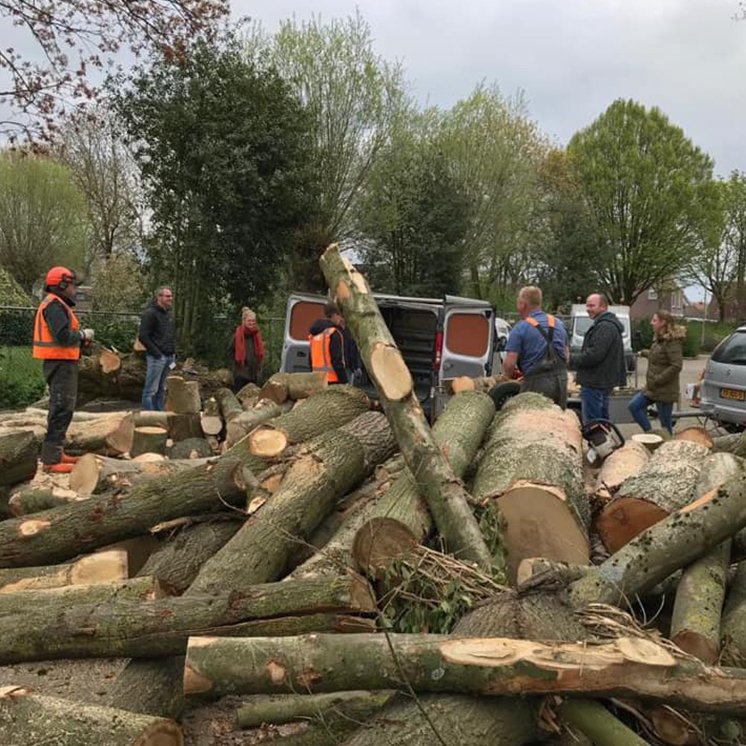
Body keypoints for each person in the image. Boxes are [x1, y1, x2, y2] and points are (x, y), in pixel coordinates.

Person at [32, 266, 95, 473]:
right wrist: (83, 335)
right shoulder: (54, 306)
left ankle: (56, 452)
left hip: (63, 362)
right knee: (60, 409)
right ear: (61, 284)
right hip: (59, 363)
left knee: (64, 409)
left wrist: (80, 342)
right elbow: (63, 336)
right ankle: (50, 459)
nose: (75, 289)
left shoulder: (58, 304)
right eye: (72, 285)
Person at [502, 286, 569, 408]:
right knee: (557, 421)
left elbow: (510, 364)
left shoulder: (520, 328)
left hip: (536, 383)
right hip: (561, 381)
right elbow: (567, 357)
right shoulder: (558, 323)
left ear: (522, 304)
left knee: (532, 421)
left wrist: (505, 379)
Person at [570, 293, 626, 422]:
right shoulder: (606, 325)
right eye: (587, 305)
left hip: (595, 381)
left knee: (593, 422)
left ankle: (599, 441)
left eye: (592, 306)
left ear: (603, 307)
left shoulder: (604, 327)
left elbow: (595, 355)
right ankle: (605, 439)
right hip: (601, 381)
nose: (588, 309)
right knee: (602, 419)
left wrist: (571, 358)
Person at [628, 310, 684, 434]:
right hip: (652, 388)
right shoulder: (659, 340)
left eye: (654, 320)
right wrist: (644, 353)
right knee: (634, 406)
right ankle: (651, 435)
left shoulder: (672, 342)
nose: (651, 323)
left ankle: (667, 447)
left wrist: (659, 379)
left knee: (665, 426)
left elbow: (676, 365)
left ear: (663, 322)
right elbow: (659, 356)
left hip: (664, 390)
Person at [138, 286, 175, 411]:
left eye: (171, 296)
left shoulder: (167, 314)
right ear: (159, 297)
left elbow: (168, 335)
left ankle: (159, 416)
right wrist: (157, 354)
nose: (171, 298)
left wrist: (173, 354)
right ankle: (148, 418)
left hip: (169, 358)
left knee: (161, 389)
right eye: (167, 296)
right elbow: (143, 336)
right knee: (150, 390)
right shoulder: (150, 313)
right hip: (157, 358)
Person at [308, 301, 347, 384]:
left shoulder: (314, 334)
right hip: (333, 380)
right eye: (341, 316)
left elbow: (310, 359)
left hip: (317, 379)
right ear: (335, 315)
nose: (342, 320)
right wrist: (344, 381)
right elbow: (337, 361)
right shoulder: (333, 333)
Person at [230, 307, 265, 392]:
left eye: (253, 321)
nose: (251, 323)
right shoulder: (237, 335)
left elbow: (260, 353)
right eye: (249, 321)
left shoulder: (257, 335)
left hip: (254, 373)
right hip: (241, 373)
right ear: (244, 321)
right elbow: (231, 352)